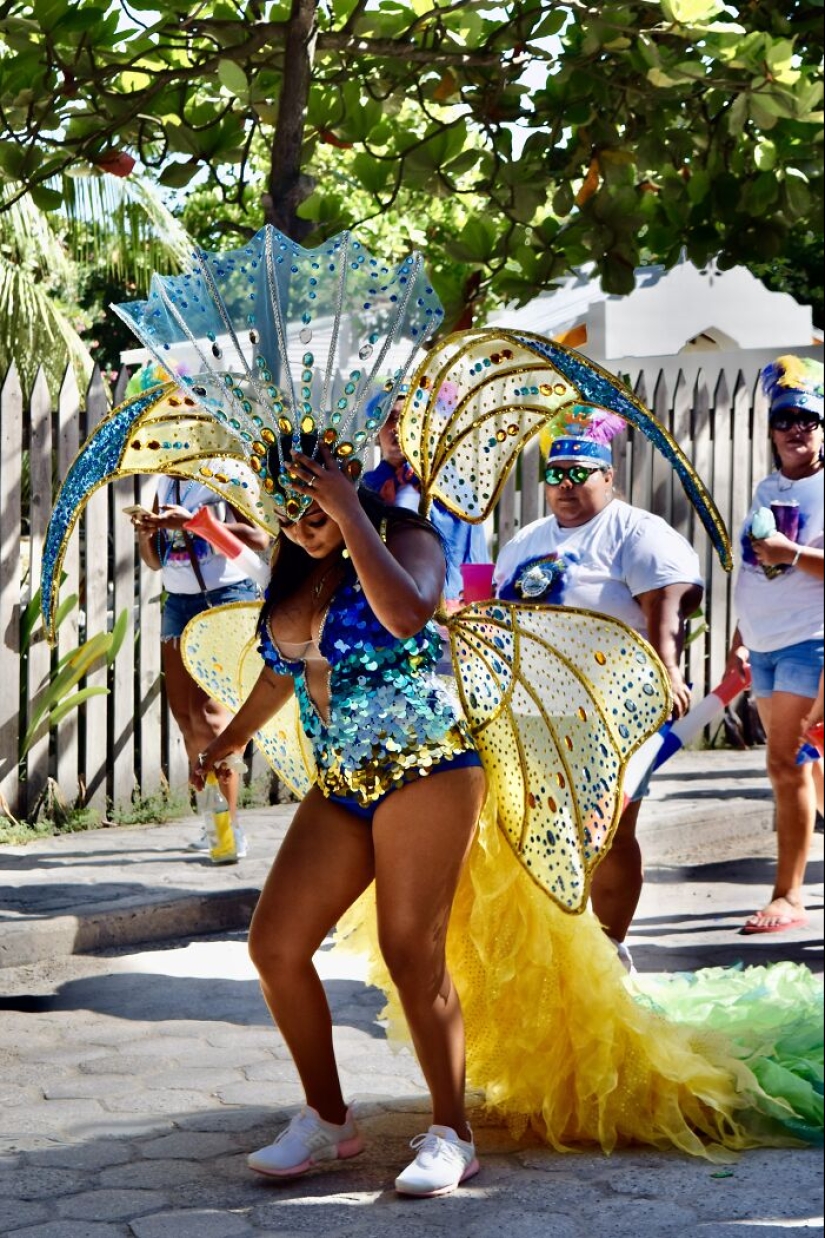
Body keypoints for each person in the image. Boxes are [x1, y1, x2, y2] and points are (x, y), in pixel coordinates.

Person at [193, 443, 488, 1197]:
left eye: (313, 504)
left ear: (345, 481)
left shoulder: (407, 537)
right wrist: (227, 742)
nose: (301, 524)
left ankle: (452, 1134)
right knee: (275, 945)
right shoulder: (296, 567)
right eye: (287, 510)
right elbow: (280, 671)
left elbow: (407, 615)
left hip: (427, 766)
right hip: (343, 780)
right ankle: (329, 1120)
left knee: (410, 949)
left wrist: (351, 513)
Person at [493, 405, 704, 968]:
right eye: (554, 474)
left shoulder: (637, 531)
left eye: (578, 473)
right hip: (530, 713)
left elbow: (667, 603)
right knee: (537, 833)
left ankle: (610, 952)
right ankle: (551, 949)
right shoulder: (524, 540)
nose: (564, 485)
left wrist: (668, 671)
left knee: (608, 832)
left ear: (608, 475)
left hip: (609, 711)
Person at [725, 355, 824, 935]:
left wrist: (793, 554)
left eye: (808, 419)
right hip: (764, 645)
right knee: (809, 769)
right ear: (770, 429)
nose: (795, 429)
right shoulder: (769, 486)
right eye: (784, 419)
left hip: (810, 642)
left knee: (786, 765)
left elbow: (786, 560)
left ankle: (788, 896)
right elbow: (755, 569)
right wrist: (741, 639)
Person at [131, 473, 270, 855]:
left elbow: (261, 538)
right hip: (178, 603)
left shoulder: (225, 474)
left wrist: (194, 522)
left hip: (225, 597)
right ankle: (214, 824)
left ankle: (230, 829)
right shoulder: (164, 484)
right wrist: (146, 534)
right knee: (187, 718)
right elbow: (155, 561)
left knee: (210, 716)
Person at [363, 388, 490, 605]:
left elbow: (476, 556)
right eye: (390, 418)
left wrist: (479, 609)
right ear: (376, 430)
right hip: (380, 607)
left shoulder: (454, 491)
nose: (397, 427)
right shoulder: (364, 491)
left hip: (444, 610)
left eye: (409, 418)